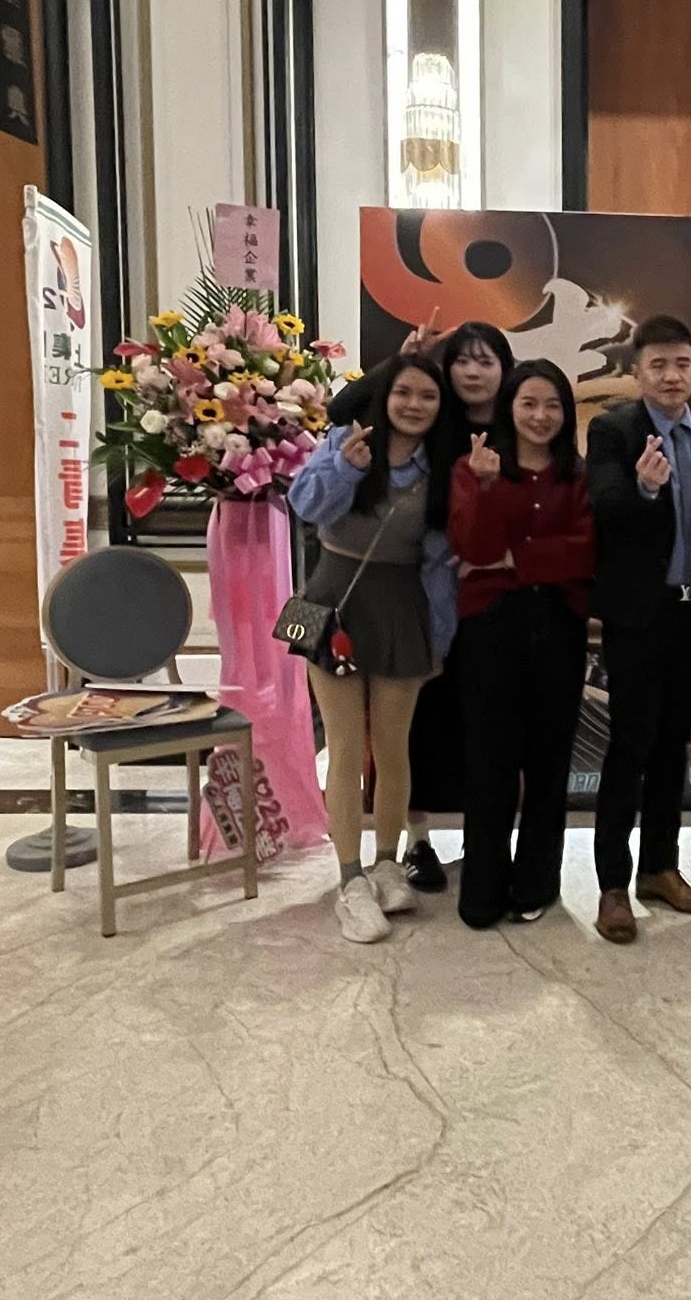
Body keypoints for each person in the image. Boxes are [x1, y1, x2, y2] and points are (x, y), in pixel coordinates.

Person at [329, 312, 517, 891]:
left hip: (492, 599)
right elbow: (342, 411)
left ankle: (489, 844)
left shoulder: (519, 423)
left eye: (486, 361)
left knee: (487, 724)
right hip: (417, 598)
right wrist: (404, 358)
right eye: (462, 359)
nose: (473, 372)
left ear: (505, 369)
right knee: (415, 729)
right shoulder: (432, 418)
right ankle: (417, 842)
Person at [289, 354, 459, 944]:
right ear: (385, 396)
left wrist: (440, 638)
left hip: (402, 606)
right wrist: (345, 468)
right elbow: (305, 506)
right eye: (403, 392)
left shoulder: (443, 467)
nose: (414, 405)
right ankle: (349, 878)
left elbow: (441, 564)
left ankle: (388, 864)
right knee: (343, 747)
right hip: (333, 597)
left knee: (392, 747)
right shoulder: (346, 439)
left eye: (428, 396)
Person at [584, 314, 691, 944]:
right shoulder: (614, 430)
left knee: (675, 746)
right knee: (630, 746)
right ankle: (612, 885)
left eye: (682, 364)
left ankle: (660, 869)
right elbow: (603, 507)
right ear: (637, 372)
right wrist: (644, 490)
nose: (672, 376)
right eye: (659, 365)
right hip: (640, 617)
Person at [448, 360, 595, 928]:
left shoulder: (577, 475)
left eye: (552, 405)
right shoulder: (474, 466)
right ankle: (483, 886)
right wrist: (485, 489)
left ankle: (536, 881)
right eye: (528, 403)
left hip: (559, 623)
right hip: (491, 625)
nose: (540, 416)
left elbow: (587, 549)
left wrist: (518, 558)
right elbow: (472, 547)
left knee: (549, 760)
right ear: (509, 407)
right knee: (490, 759)